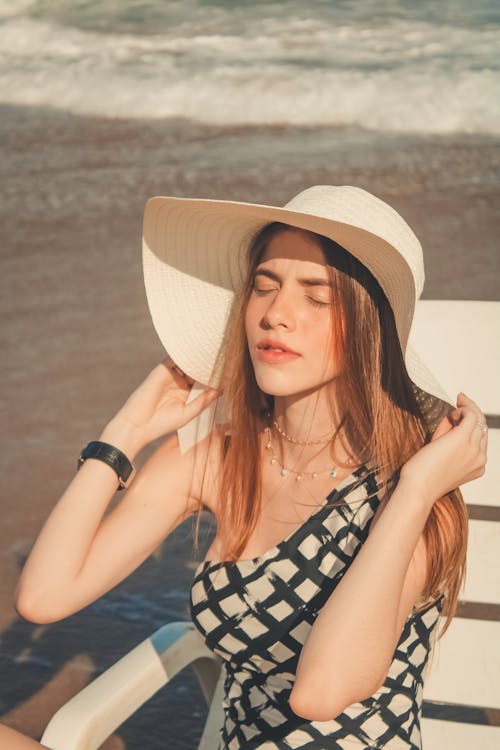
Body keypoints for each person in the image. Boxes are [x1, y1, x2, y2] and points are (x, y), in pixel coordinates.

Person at [5, 185, 487, 749]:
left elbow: (321, 693)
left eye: (317, 296)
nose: (276, 314)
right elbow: (44, 596)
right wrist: (124, 435)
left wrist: (417, 490)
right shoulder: (219, 460)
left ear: (368, 327)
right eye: (264, 286)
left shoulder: (411, 496)